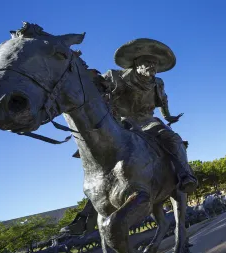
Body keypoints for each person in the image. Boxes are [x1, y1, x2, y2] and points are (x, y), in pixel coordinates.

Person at [63, 38, 197, 235]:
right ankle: (87, 213)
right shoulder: (117, 77)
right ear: (136, 64)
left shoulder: (158, 83)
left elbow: (163, 106)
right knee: (100, 164)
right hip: (122, 124)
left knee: (174, 140)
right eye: (148, 63)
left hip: (148, 122)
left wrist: (169, 117)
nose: (153, 66)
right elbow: (97, 87)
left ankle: (185, 174)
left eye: (156, 64)